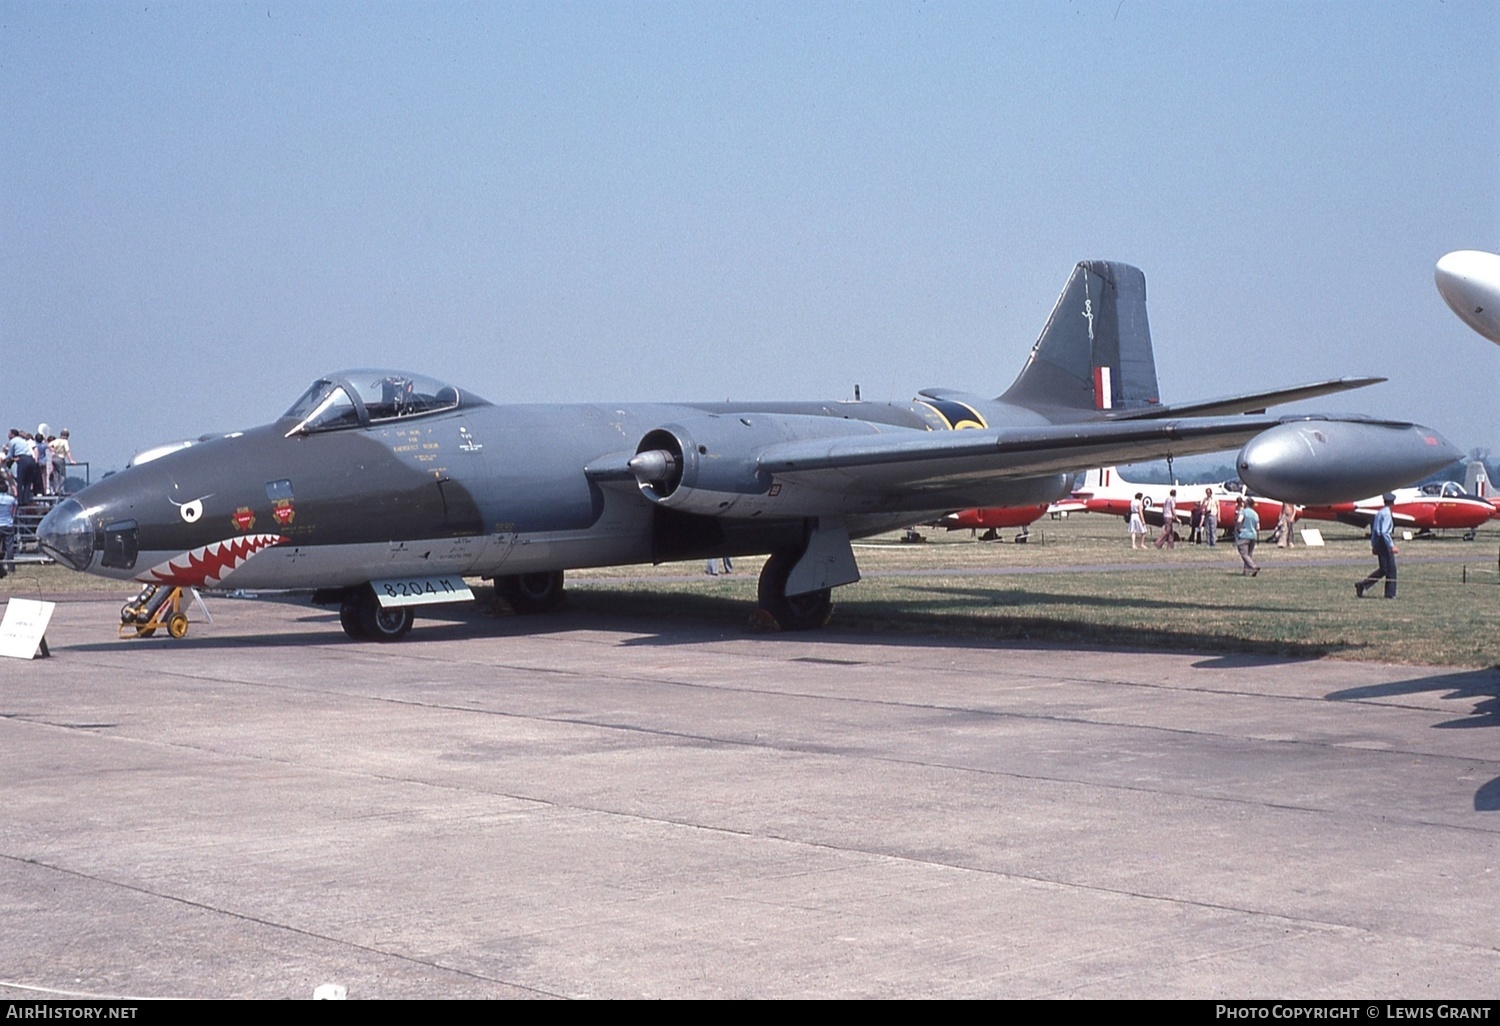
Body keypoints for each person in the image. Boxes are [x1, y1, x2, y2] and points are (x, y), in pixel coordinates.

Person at [1356, 493, 1398, 598]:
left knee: (1384, 569)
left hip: (1378, 541)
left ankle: (1362, 585)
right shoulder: (1387, 514)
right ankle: (1390, 594)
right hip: (1384, 542)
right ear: (1392, 502)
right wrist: (1391, 545)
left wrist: (1374, 544)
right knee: (1391, 569)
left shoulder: (1379, 513)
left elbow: (1374, 530)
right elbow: (1384, 532)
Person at [1234, 497, 1260, 576]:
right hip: (1253, 535)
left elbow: (1239, 520)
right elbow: (1258, 527)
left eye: (1244, 502)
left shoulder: (1243, 512)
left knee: (1244, 554)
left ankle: (1253, 566)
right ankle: (1246, 572)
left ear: (1247, 504)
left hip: (1245, 535)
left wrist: (1238, 528)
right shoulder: (1255, 514)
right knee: (1249, 554)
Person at [0, 477, 15, 577]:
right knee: (9, 546)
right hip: (8, 524)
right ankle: (10, 567)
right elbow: (14, 510)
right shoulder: (11, 499)